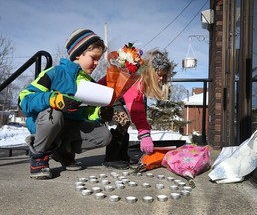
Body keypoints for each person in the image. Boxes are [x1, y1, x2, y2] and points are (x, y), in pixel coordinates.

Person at [18, 29, 114, 179]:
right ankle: (38, 156)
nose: (96, 63)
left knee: (104, 135)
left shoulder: (90, 84)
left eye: (98, 60)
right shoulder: (55, 73)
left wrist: (100, 114)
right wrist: (52, 99)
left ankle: (62, 151)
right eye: (93, 58)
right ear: (78, 54)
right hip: (45, 123)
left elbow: (86, 113)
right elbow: (24, 99)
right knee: (55, 114)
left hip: (68, 126)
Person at [101, 49, 172, 169]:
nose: (161, 79)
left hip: (113, 97)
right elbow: (136, 111)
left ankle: (122, 156)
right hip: (102, 94)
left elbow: (139, 110)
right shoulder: (134, 78)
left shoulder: (141, 80)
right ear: (150, 72)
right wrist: (145, 136)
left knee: (124, 122)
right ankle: (111, 158)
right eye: (159, 75)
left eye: (163, 76)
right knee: (123, 120)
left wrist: (145, 131)